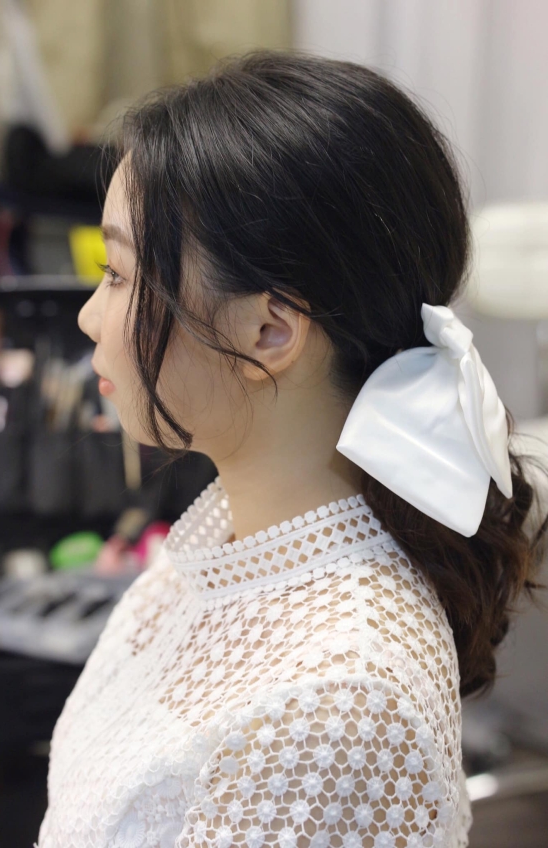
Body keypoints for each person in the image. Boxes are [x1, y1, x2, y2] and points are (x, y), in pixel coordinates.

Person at [35, 50, 546, 848]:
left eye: (121, 275)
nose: (89, 317)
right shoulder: (218, 552)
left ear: (269, 331)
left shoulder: (337, 703)